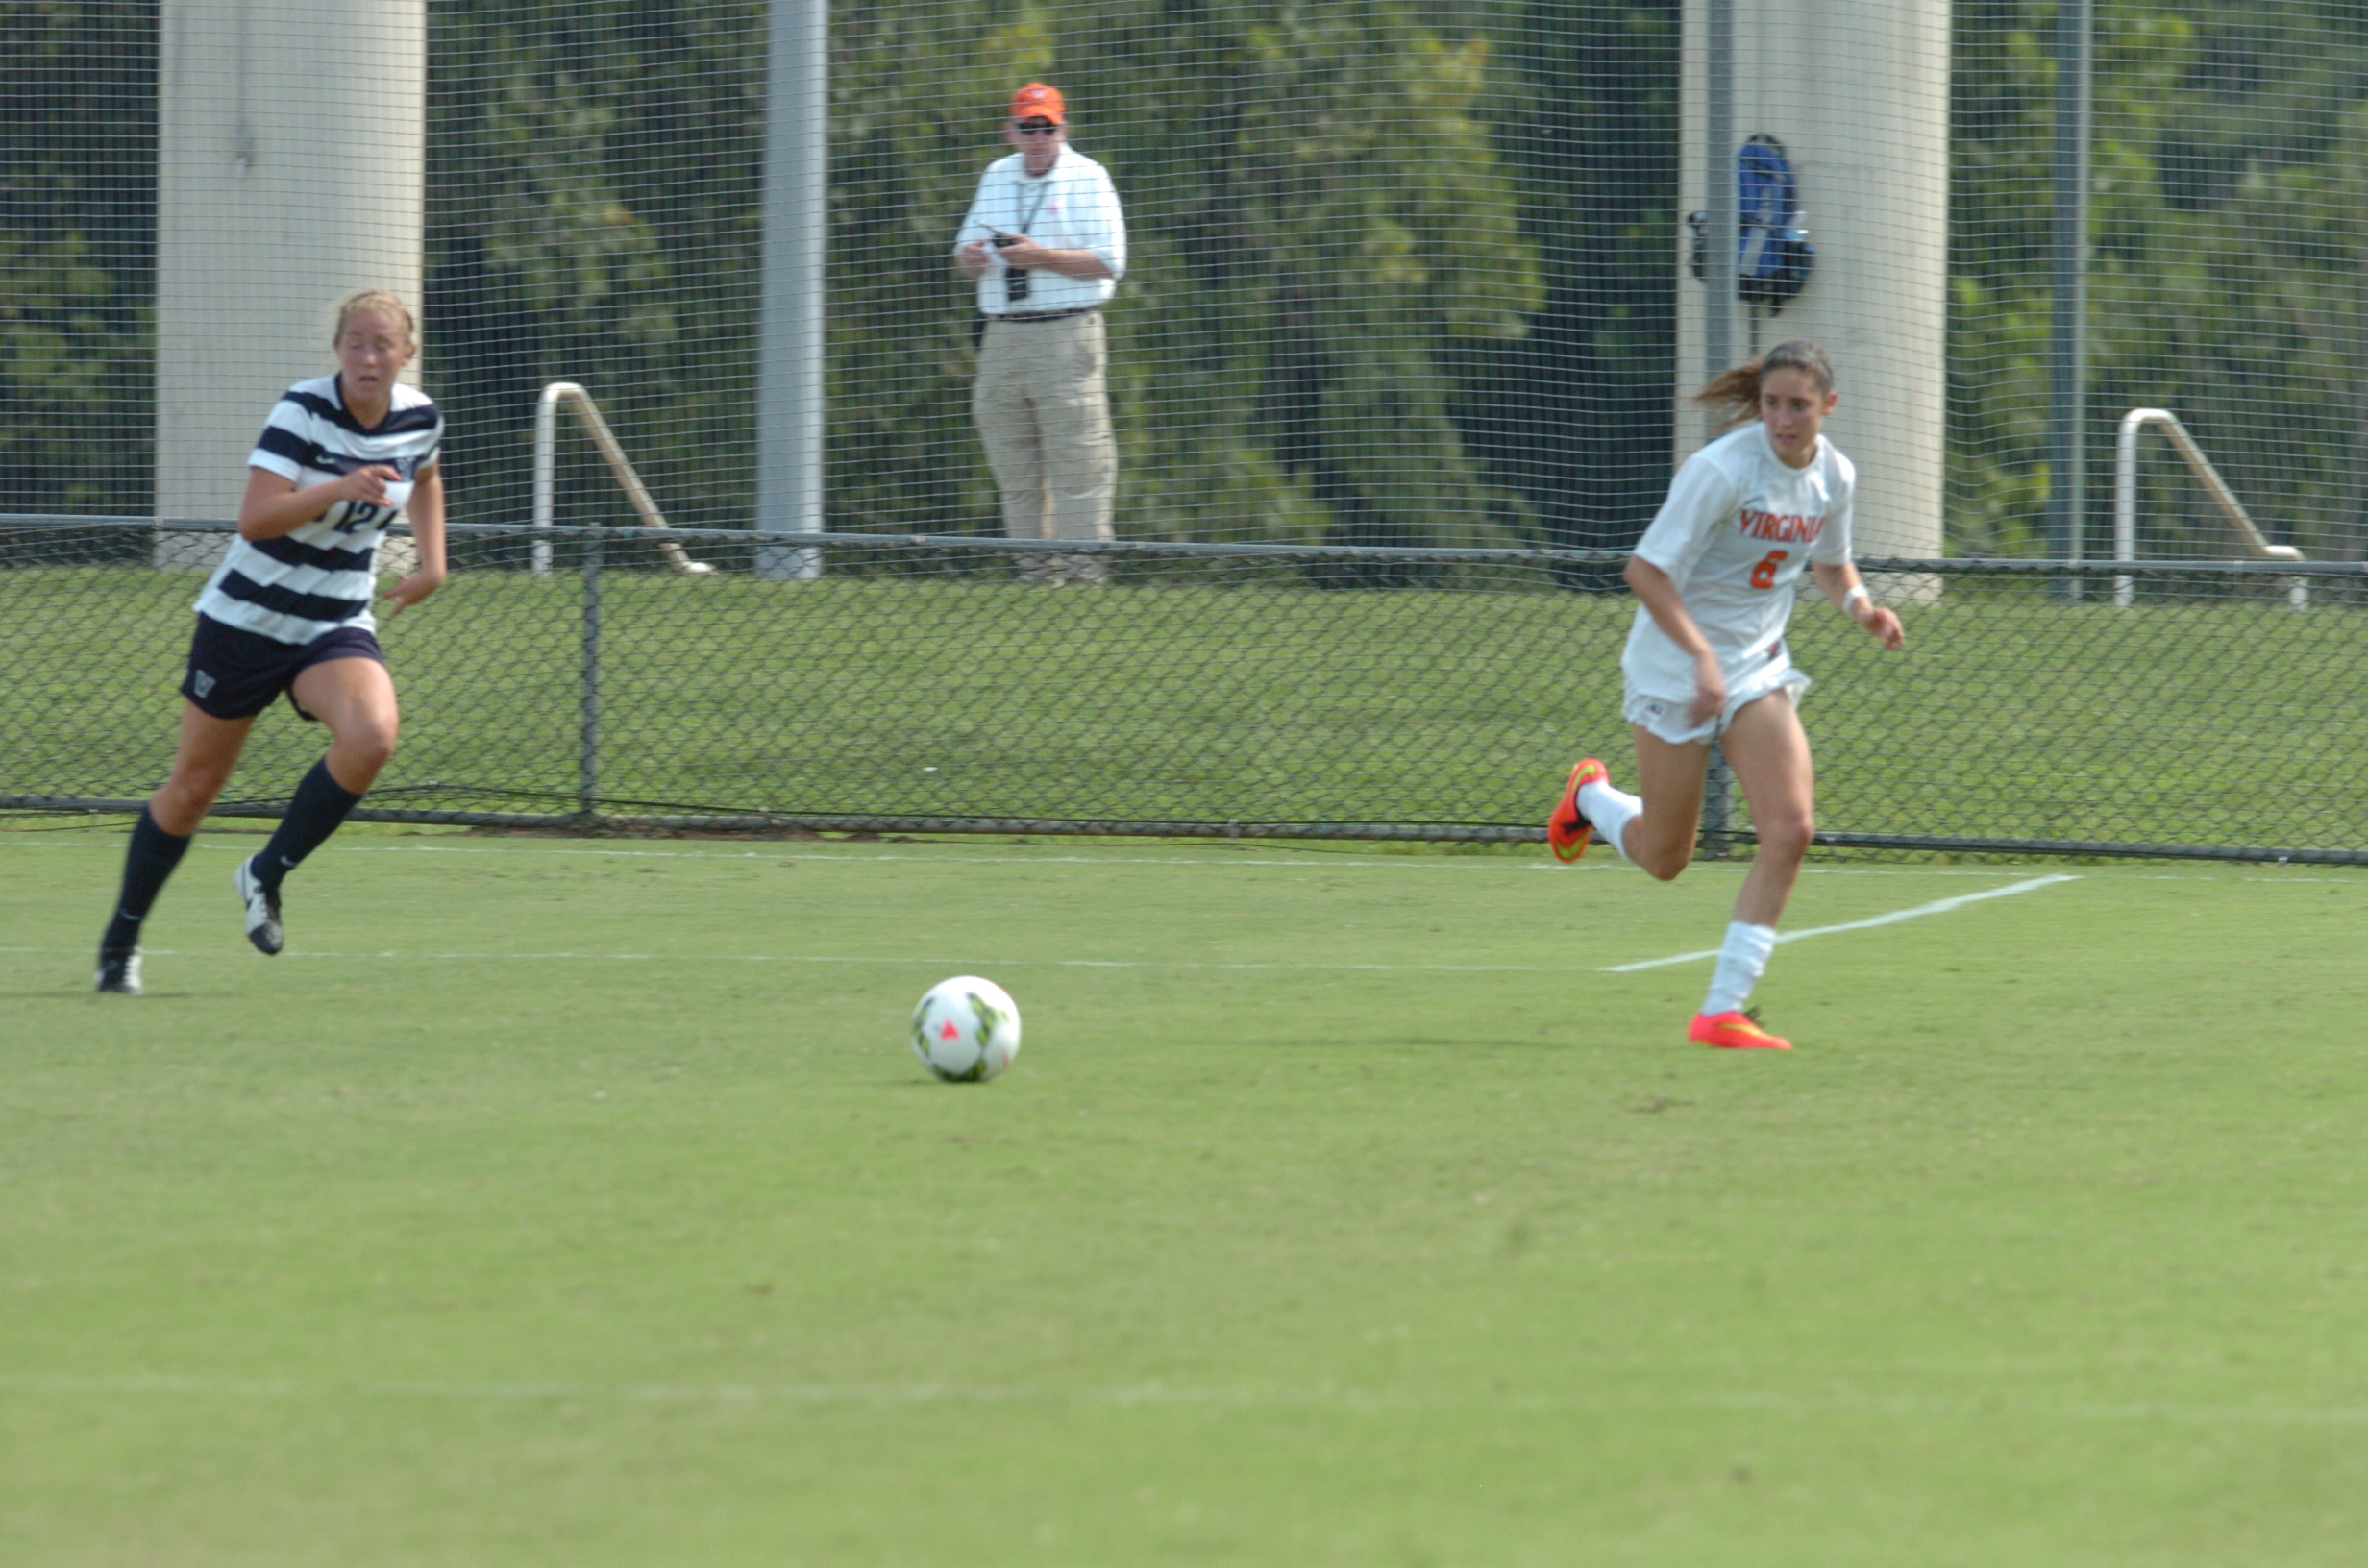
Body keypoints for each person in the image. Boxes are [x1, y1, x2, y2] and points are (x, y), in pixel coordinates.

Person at [1545, 340, 1905, 1050]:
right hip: (1673, 666)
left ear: (1829, 406)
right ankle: (1590, 797)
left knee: (1791, 829)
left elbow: (1831, 564)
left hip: (1756, 668)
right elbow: (1645, 572)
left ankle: (1721, 1011)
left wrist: (1862, 608)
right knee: (1666, 859)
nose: (1784, 419)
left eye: (1799, 406)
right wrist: (1701, 657)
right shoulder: (1721, 470)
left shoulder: (1834, 475)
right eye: (1773, 404)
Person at [93, 290, 446, 993]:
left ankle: (265, 872)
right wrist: (339, 486)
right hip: (245, 622)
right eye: (355, 343)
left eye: (382, 345)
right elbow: (255, 520)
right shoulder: (302, 411)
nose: (368, 357)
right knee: (194, 789)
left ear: (407, 354)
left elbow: (426, 476)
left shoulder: (419, 418)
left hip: (332, 623)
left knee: (372, 738)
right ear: (337, 349)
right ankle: (121, 940)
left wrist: (433, 563)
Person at [954, 82, 1127, 584]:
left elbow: (1111, 263)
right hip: (1002, 336)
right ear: (1009, 132)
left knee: (1079, 465)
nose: (1037, 138)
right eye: (1027, 128)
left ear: (1062, 129)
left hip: (1066, 333)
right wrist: (971, 258)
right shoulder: (996, 176)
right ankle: (1034, 579)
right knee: (1014, 467)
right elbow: (965, 252)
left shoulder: (1089, 177)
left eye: (1046, 128)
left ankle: (1083, 581)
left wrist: (1040, 257)